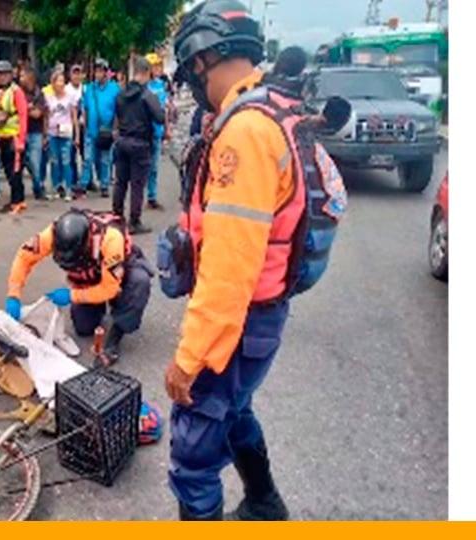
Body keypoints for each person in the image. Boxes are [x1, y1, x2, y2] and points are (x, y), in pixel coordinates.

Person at [166, 0, 302, 521]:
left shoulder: (243, 135)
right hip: (262, 314)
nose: (192, 84)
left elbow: (229, 266)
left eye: (190, 71)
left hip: (239, 321)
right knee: (236, 411)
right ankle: (265, 503)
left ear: (203, 59)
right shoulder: (271, 110)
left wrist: (190, 356)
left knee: (194, 455)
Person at [5, 209, 154, 365]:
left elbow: (109, 289)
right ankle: (99, 308)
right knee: (84, 328)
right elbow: (24, 257)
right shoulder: (53, 234)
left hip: (120, 273)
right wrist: (13, 294)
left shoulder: (110, 240)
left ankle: (118, 329)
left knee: (138, 281)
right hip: (89, 277)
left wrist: (72, 296)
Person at [112, 57, 165, 236]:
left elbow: (117, 114)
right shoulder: (147, 95)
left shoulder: (121, 94)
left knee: (120, 182)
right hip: (141, 144)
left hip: (123, 141)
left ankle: (116, 217)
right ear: (146, 73)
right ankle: (134, 221)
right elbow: (159, 117)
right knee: (137, 185)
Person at [0, 60, 30, 214]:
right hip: (2, 137)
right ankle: (15, 200)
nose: (2, 77)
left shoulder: (16, 91)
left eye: (5, 74)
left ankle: (18, 201)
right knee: (7, 170)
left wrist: (21, 139)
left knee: (16, 171)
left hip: (14, 136)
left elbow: (23, 114)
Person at [78, 59, 120, 198]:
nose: (98, 73)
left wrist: (115, 128)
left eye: (101, 71)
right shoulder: (90, 88)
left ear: (106, 73)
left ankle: (104, 186)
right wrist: (84, 120)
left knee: (105, 159)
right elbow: (85, 107)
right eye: (96, 70)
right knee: (88, 159)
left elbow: (118, 110)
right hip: (91, 130)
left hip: (107, 130)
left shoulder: (114, 89)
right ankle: (83, 184)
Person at [44, 71, 79, 201]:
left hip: (66, 132)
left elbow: (74, 116)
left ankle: (68, 187)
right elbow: (46, 117)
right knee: (54, 161)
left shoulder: (70, 98)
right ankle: (56, 187)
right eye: (58, 81)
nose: (61, 84)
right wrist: (45, 134)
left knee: (66, 161)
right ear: (53, 83)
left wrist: (76, 135)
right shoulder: (49, 98)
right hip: (52, 133)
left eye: (62, 81)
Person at [145, 52, 173, 211]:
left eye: (159, 65)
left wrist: (167, 129)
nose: (158, 68)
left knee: (154, 167)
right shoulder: (144, 86)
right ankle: (139, 195)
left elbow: (164, 110)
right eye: (155, 66)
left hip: (157, 132)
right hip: (144, 133)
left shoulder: (160, 86)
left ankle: (152, 196)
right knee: (142, 167)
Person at [20, 67, 48, 200]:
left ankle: (38, 187)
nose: (20, 79)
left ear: (30, 77)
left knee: (35, 162)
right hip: (21, 132)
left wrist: (24, 109)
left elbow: (38, 114)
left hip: (35, 132)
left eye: (23, 76)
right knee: (21, 162)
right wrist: (28, 108)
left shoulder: (39, 94)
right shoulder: (18, 92)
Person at [65, 65, 86, 184]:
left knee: (86, 156)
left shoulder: (86, 89)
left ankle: (87, 180)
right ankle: (73, 179)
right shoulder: (66, 89)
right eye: (75, 73)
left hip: (84, 126)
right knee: (71, 154)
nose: (77, 76)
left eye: (79, 73)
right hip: (70, 125)